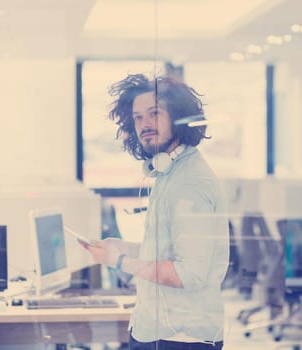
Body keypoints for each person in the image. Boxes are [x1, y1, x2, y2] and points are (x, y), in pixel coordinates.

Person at [81, 74, 229, 350]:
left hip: (181, 337)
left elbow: (189, 274)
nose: (144, 124)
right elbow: (168, 252)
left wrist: (120, 260)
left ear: (178, 116)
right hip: (160, 329)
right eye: (137, 118)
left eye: (154, 114)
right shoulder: (170, 173)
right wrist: (121, 248)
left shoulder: (190, 184)